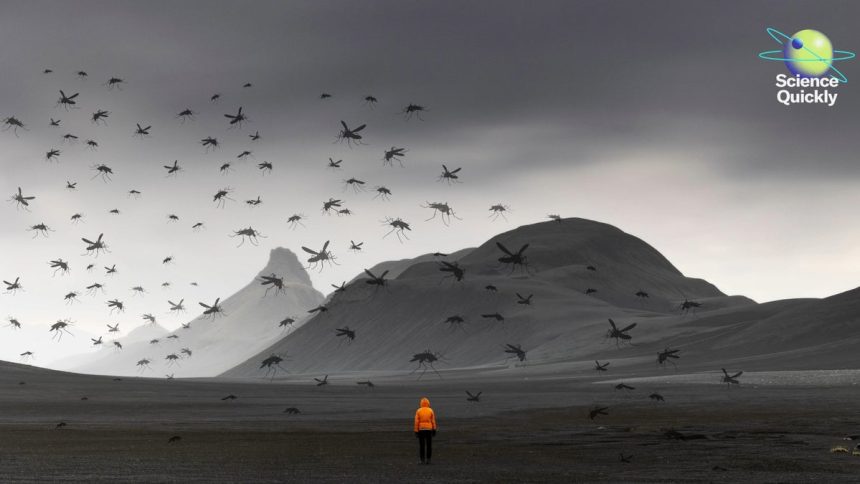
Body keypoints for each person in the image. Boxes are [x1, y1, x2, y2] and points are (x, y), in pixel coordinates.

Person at [413, 397, 437, 464]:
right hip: (429, 429)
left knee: (422, 445)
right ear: (428, 403)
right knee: (429, 445)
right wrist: (434, 429)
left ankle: (422, 460)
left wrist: (416, 431)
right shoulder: (430, 410)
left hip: (421, 429)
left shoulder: (418, 410)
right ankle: (428, 459)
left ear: (421, 403)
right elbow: (433, 421)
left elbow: (416, 422)